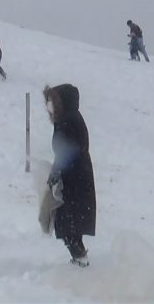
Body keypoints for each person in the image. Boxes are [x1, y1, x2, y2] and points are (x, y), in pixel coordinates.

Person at [43, 84, 96, 267]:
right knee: (71, 224)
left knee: (68, 223)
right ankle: (79, 261)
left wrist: (56, 172)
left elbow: (67, 151)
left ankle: (81, 263)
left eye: (51, 100)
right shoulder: (70, 117)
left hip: (74, 179)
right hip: (78, 176)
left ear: (61, 102)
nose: (48, 105)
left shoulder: (67, 120)